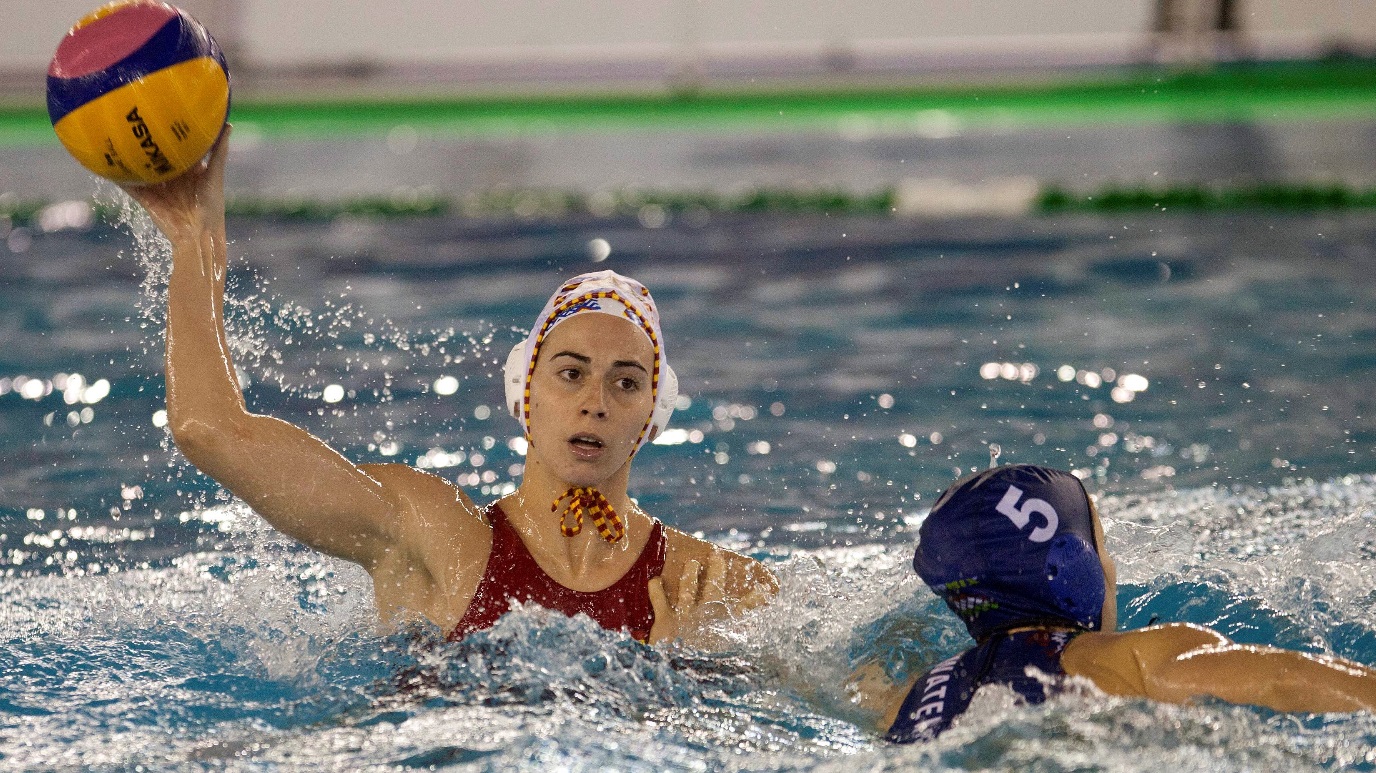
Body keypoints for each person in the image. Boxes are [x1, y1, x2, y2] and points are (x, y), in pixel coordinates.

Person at [119, 128, 777, 646]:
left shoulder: (713, 587)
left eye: (626, 383)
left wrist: (692, 670)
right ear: (525, 392)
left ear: (653, 416)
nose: (595, 402)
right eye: (571, 373)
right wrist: (195, 245)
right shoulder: (433, 537)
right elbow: (209, 429)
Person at [845, 464, 1376, 742]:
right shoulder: (1129, 659)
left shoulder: (909, 698)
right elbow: (1281, 679)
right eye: (1103, 547)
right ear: (1071, 569)